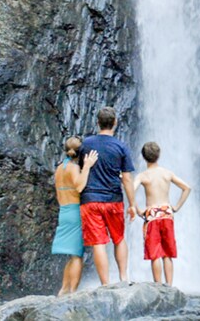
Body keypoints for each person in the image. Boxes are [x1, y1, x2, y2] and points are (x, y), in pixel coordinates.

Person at [79, 106, 138, 285]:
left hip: (90, 200)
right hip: (113, 200)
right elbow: (127, 179)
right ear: (115, 123)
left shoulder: (86, 144)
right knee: (119, 239)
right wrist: (132, 204)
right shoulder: (121, 146)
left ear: (97, 123)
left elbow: (82, 169)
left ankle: (105, 284)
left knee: (98, 243)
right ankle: (123, 278)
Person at [132, 141, 192, 286]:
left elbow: (130, 191)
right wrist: (176, 207)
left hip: (152, 215)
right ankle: (169, 286)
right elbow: (187, 188)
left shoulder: (143, 176)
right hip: (167, 213)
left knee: (155, 254)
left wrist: (137, 209)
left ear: (143, 157)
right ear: (159, 155)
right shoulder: (167, 173)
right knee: (167, 253)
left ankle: (158, 286)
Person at [52, 137, 98, 295]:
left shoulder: (59, 168)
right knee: (78, 255)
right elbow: (79, 186)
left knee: (71, 256)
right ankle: (73, 292)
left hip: (63, 211)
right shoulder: (72, 168)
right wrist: (87, 166)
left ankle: (63, 290)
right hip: (75, 212)